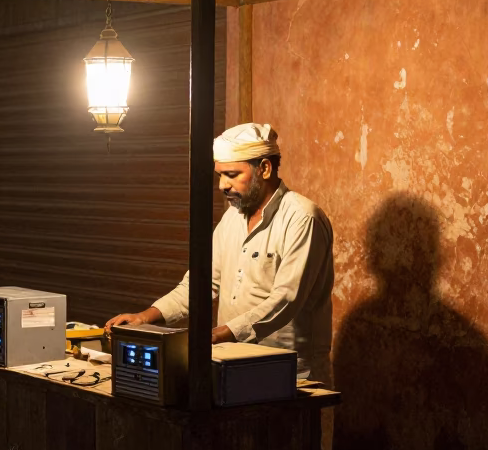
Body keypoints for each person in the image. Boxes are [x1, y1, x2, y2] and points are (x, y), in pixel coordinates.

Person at [105, 122, 335, 383]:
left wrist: (217, 334)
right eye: (220, 176)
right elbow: (201, 283)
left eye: (233, 174)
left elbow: (286, 299)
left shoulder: (303, 218)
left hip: (292, 374)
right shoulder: (232, 218)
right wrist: (146, 317)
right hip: (234, 365)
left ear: (265, 168)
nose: (223, 185)